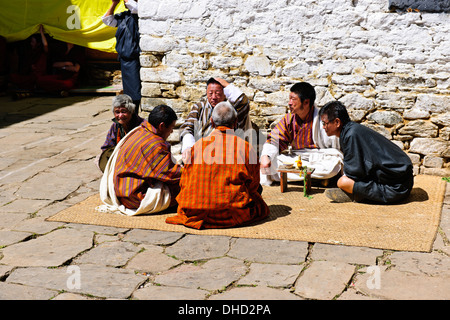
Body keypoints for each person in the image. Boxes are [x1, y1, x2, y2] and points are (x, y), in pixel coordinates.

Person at [166, 101, 269, 229]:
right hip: (232, 213)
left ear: (212, 122)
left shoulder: (197, 146)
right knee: (258, 196)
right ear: (235, 122)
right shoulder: (245, 147)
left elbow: (184, 182)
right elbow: (253, 185)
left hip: (194, 211)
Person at [318, 100, 414, 204]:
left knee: (343, 182)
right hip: (403, 181)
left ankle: (356, 194)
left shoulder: (351, 135)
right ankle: (356, 192)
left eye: (325, 123)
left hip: (396, 188)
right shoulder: (351, 130)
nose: (323, 127)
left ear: (337, 122)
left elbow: (354, 173)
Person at [98, 104, 182, 216]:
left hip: (120, 191)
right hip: (134, 198)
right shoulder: (154, 144)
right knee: (184, 187)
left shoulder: (139, 131)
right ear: (162, 126)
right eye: (171, 128)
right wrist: (192, 172)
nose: (171, 132)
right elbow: (170, 173)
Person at [259, 82, 343, 186]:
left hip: (321, 158)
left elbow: (337, 147)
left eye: (293, 99)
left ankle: (297, 177)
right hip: (297, 158)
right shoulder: (289, 119)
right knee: (270, 164)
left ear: (306, 102)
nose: (289, 103)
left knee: (332, 166)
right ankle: (314, 179)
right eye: (289, 99)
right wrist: (266, 156)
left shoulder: (324, 119)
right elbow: (274, 140)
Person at [180, 77, 252, 164]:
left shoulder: (231, 109)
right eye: (210, 93)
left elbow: (243, 102)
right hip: (201, 154)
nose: (213, 97)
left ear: (225, 94)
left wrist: (226, 85)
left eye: (218, 93)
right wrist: (188, 148)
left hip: (227, 154)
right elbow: (187, 128)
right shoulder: (199, 107)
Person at [102, 0, 141, 112]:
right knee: (130, 91)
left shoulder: (138, 15)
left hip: (134, 57)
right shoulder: (125, 16)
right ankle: (132, 116)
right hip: (125, 59)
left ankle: (134, 116)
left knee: (135, 91)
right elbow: (107, 20)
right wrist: (114, 3)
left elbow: (136, 8)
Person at [98, 94, 144, 172]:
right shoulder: (116, 126)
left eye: (124, 111)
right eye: (117, 112)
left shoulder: (142, 126)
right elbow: (107, 146)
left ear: (131, 111)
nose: (120, 116)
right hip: (119, 159)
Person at [9, 25, 48, 97]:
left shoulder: (41, 52)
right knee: (13, 77)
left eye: (33, 42)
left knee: (39, 81)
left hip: (39, 76)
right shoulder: (31, 52)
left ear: (38, 43)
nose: (31, 44)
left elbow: (45, 45)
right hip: (31, 76)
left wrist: (41, 32)